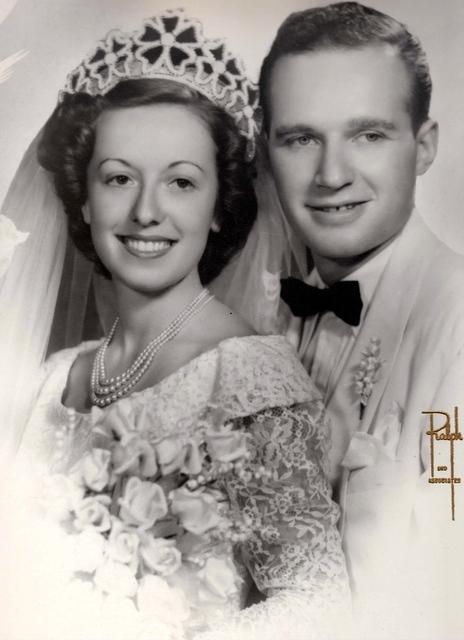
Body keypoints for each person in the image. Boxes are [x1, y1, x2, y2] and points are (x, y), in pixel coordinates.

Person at [3, 9, 350, 640]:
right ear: (83, 197)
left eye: (181, 182)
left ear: (220, 207)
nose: (145, 211)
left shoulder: (251, 375)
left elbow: (319, 605)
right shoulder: (56, 375)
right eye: (117, 178)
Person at [254, 1, 464, 637]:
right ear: (267, 152)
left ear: (423, 147)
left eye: (369, 135)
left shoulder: (457, 325)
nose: (332, 174)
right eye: (301, 138)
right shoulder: (259, 315)